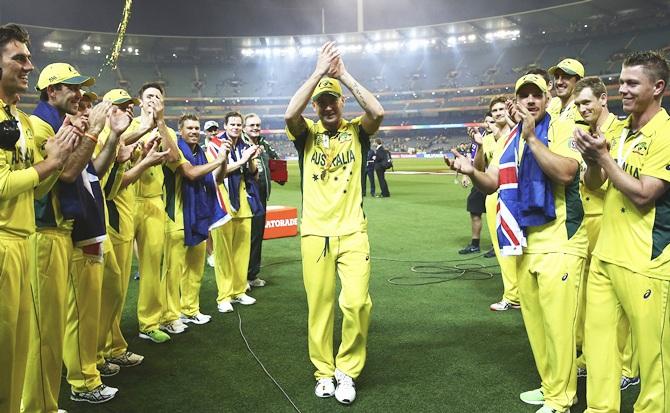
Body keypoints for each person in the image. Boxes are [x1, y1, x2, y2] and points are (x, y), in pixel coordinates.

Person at [449, 74, 587, 413]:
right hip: (524, 241)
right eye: (523, 95)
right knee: (537, 328)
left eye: (536, 95)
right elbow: (492, 182)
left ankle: (562, 399)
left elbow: (567, 172)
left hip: (560, 241)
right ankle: (550, 386)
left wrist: (531, 138)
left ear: (545, 98)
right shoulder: (511, 137)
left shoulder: (561, 128)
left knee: (558, 328)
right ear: (517, 99)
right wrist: (470, 171)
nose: (530, 101)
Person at [284, 41, 384, 405]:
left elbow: (378, 111)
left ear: (342, 103)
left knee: (357, 303)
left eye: (333, 100)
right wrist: (317, 74)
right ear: (316, 106)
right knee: (320, 307)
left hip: (353, 231)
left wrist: (343, 75)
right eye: (322, 102)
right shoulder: (305, 135)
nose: (327, 106)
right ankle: (324, 372)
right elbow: (288, 115)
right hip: (314, 232)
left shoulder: (357, 131)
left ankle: (347, 369)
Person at [575, 50, 670, 413]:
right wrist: (592, 161)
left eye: (632, 83)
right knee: (599, 350)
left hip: (645, 261)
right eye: (621, 82)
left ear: (657, 87)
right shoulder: (624, 132)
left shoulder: (665, 132)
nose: (623, 90)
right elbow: (597, 186)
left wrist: (605, 159)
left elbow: (645, 194)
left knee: (653, 359)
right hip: (605, 257)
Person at [23, 62, 119, 409]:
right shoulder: (39, 123)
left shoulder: (54, 121)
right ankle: (36, 405)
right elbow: (65, 175)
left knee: (49, 329)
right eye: (72, 88)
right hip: (45, 231)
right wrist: (92, 131)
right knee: (42, 332)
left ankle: (44, 403)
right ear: (52, 90)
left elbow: (85, 171)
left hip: (61, 231)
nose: (80, 95)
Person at [0, 23, 76, 413]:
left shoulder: (20, 120)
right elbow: (1, 185)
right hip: (4, 245)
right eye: (19, 58)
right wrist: (50, 165)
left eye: (29, 57)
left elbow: (36, 189)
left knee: (17, 348)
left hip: (24, 239)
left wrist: (55, 162)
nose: (29, 65)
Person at [571, 76, 639, 388]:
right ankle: (591, 358)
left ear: (602, 99)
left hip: (617, 220)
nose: (582, 108)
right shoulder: (585, 132)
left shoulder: (623, 129)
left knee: (624, 300)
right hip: (589, 221)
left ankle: (626, 367)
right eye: (578, 104)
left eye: (586, 102)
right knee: (591, 297)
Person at [160, 114, 229, 328]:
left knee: (195, 268)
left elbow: (214, 178)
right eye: (189, 128)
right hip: (176, 216)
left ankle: (190, 309)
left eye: (196, 128)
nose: (193, 131)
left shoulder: (200, 151)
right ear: (180, 130)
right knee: (173, 271)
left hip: (198, 216)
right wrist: (218, 160)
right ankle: (169, 316)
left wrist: (223, 160)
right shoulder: (176, 149)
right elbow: (190, 174)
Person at [207, 111, 261, 313]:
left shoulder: (245, 146)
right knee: (223, 253)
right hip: (223, 203)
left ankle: (239, 291)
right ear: (225, 125)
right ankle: (224, 296)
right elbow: (215, 172)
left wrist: (252, 159)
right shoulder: (214, 144)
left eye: (239, 125)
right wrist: (241, 161)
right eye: (232, 124)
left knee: (241, 251)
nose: (236, 127)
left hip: (244, 202)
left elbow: (254, 176)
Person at [470, 97, 520, 311]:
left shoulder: (517, 133)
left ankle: (518, 294)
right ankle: (513, 295)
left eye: (502, 108)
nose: (499, 112)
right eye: (495, 110)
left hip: (516, 195)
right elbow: (480, 168)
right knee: (503, 249)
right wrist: (480, 147)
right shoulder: (491, 140)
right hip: (494, 196)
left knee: (519, 248)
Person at [243, 113, 279, 288]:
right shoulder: (241, 144)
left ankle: (252, 274)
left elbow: (276, 160)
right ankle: (241, 276)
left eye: (257, 125)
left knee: (257, 236)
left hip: (262, 197)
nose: (255, 128)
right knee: (245, 238)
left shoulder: (262, 143)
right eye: (251, 125)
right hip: (247, 197)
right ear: (244, 127)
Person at [457, 139, 485, 255]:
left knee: (496, 214)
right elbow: (471, 160)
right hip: (479, 181)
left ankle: (497, 245)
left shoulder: (499, 137)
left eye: (492, 121)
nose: (489, 124)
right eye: (487, 121)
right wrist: (465, 176)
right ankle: (475, 245)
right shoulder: (477, 142)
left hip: (494, 179)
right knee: (474, 210)